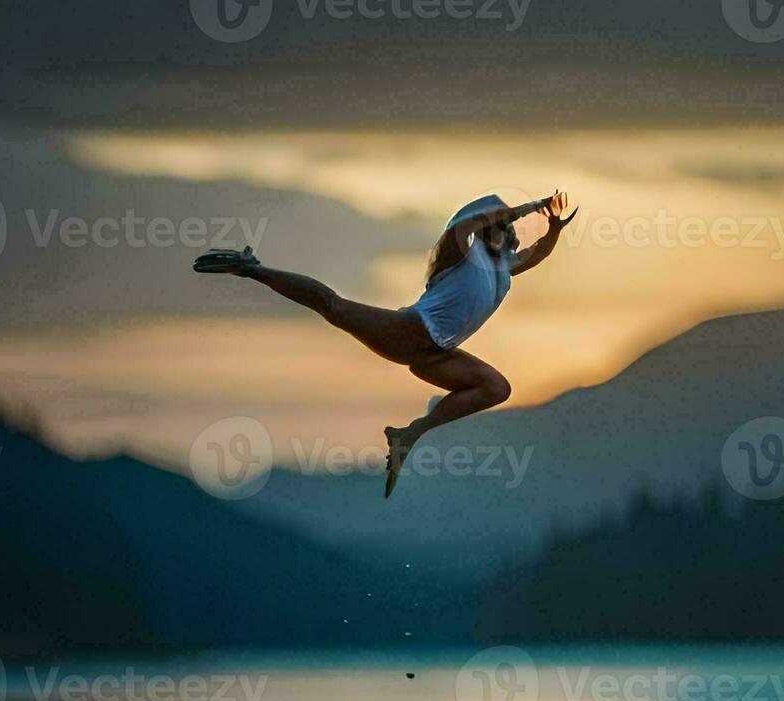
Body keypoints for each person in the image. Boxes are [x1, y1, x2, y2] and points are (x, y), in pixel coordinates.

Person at [193, 192, 577, 497]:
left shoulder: (501, 266)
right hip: (409, 332)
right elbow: (472, 222)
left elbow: (536, 253)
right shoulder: (460, 248)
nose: (508, 230)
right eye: (500, 222)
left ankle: (409, 434)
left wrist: (555, 229)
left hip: (437, 354)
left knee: (496, 388)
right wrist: (524, 208)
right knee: (333, 306)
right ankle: (252, 267)